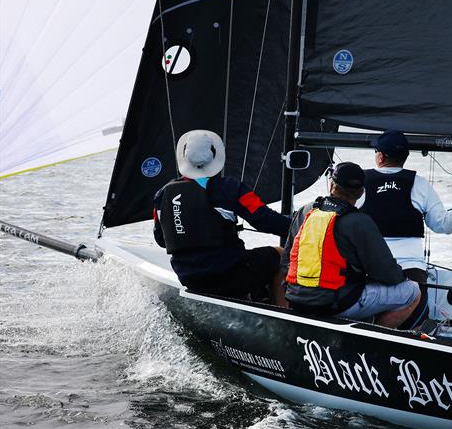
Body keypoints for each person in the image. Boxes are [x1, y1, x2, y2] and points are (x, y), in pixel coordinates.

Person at [359, 130, 452, 327]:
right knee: (414, 323)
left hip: (368, 270)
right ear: (406, 157)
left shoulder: (360, 183)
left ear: (380, 156)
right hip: (412, 274)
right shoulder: (419, 184)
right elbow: (444, 225)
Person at [153, 130, 289, 305]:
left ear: (184, 157)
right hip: (228, 275)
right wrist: (300, 223)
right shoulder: (230, 188)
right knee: (279, 255)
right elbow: (266, 220)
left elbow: (161, 240)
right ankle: (284, 314)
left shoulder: (162, 195)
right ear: (215, 156)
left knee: (244, 260)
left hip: (190, 279)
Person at [282, 162, 421, 328]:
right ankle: (373, 342)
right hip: (333, 305)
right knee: (412, 291)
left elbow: (287, 259)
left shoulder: (305, 211)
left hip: (295, 299)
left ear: (332, 185)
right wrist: (401, 276)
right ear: (361, 192)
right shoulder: (360, 222)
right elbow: (388, 274)